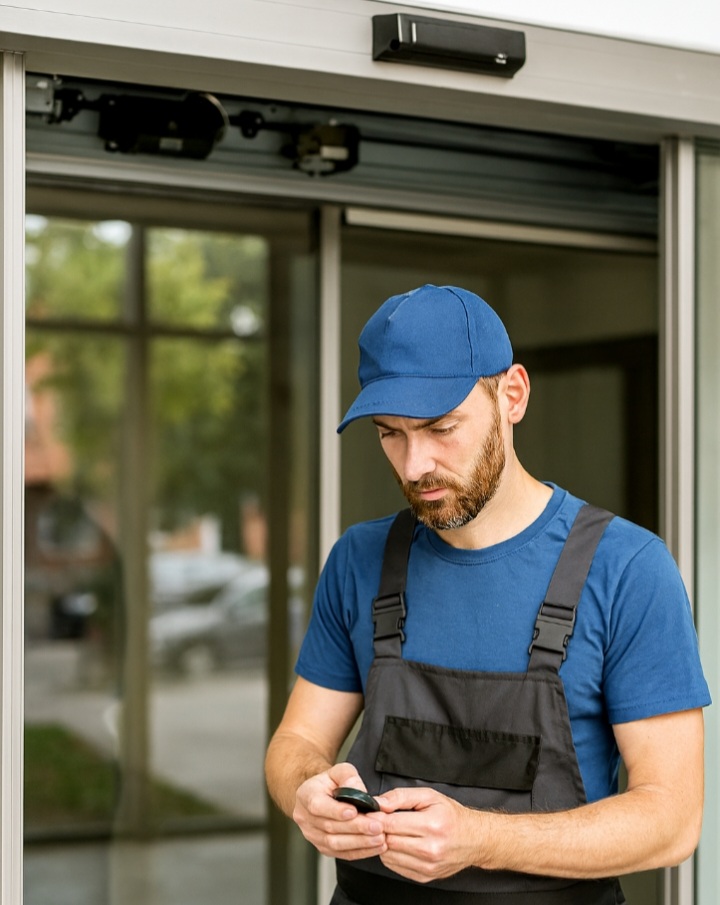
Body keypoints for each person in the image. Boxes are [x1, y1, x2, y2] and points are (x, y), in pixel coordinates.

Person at [265, 284, 711, 905]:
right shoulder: (359, 560)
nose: (415, 465)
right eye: (391, 434)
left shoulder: (628, 569)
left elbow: (672, 821)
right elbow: (296, 743)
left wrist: (479, 839)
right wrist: (307, 789)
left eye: (441, 427)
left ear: (513, 395)